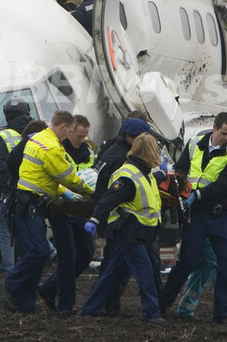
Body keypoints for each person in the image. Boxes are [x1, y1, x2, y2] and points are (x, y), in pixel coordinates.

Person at [2, 110, 94, 314]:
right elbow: (67, 178)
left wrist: (60, 191)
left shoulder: (37, 138)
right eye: (69, 132)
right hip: (32, 204)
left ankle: (26, 304)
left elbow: (44, 176)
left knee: (34, 253)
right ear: (63, 127)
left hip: (30, 202)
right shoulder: (52, 147)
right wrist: (90, 192)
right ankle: (11, 284)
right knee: (39, 252)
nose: (68, 136)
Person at [159, 112, 227, 324]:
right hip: (196, 214)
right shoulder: (194, 144)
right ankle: (160, 305)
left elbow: (226, 184)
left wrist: (196, 195)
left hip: (220, 213)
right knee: (187, 262)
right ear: (214, 128)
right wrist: (177, 188)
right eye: (224, 133)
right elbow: (181, 169)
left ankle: (222, 314)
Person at [81, 133, 167, 325]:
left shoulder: (142, 172)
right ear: (150, 153)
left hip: (138, 232)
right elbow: (109, 199)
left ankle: (90, 308)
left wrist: (162, 174)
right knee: (144, 271)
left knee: (114, 274)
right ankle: (151, 313)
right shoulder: (128, 177)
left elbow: (149, 180)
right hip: (130, 232)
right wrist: (95, 219)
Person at [89, 115, 152, 316]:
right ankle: (109, 305)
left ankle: (99, 306)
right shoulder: (123, 160)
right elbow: (115, 194)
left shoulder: (111, 151)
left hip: (116, 220)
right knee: (133, 268)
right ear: (130, 137)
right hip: (122, 222)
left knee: (114, 267)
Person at [38, 114, 95, 315]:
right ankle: (65, 305)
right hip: (60, 207)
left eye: (85, 136)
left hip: (80, 209)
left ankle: (49, 286)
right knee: (67, 256)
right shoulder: (58, 150)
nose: (82, 139)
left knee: (86, 253)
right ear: (69, 131)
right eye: (79, 135)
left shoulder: (89, 152)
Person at [0, 97, 32, 274]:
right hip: (32, 188)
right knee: (28, 224)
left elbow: (1, 167)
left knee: (5, 228)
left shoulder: (5, 136)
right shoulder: (37, 133)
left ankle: (7, 267)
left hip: (11, 190)